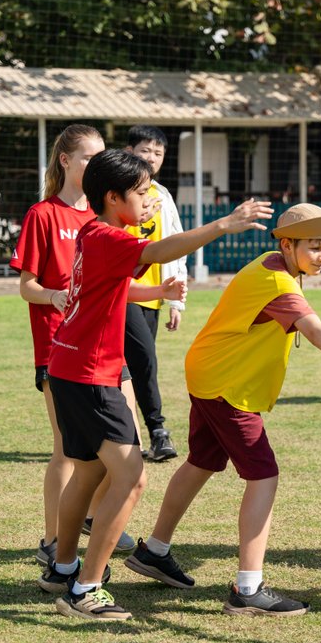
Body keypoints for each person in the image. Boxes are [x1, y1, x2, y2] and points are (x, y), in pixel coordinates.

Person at [40, 149, 275, 621]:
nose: (149, 200)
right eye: (142, 192)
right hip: (91, 375)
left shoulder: (93, 229)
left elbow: (104, 286)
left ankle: (61, 568)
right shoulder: (109, 235)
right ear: (112, 197)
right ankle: (85, 589)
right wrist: (222, 225)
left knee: (88, 472)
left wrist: (157, 292)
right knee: (131, 478)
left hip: (66, 368)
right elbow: (159, 251)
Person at [127, 203, 321, 617]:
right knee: (264, 476)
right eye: (315, 247)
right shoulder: (277, 281)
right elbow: (315, 331)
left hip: (211, 377)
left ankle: (154, 551)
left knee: (201, 463)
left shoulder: (273, 265)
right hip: (226, 388)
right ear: (286, 244)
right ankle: (248, 588)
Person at [11, 124, 143, 565]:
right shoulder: (43, 215)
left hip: (106, 351)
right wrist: (53, 295)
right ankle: (53, 543)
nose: (95, 164)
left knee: (125, 447)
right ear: (66, 161)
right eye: (87, 157)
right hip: (60, 349)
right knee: (66, 450)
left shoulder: (105, 214)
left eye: (100, 156)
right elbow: (26, 287)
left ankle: (93, 518)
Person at [122, 124, 184, 463]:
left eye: (159, 153)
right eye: (146, 150)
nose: (152, 157)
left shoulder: (162, 195)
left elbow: (176, 244)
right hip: (121, 292)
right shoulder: (113, 189)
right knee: (144, 360)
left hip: (154, 294)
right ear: (130, 151)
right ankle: (158, 431)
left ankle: (130, 437)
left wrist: (175, 299)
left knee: (136, 365)